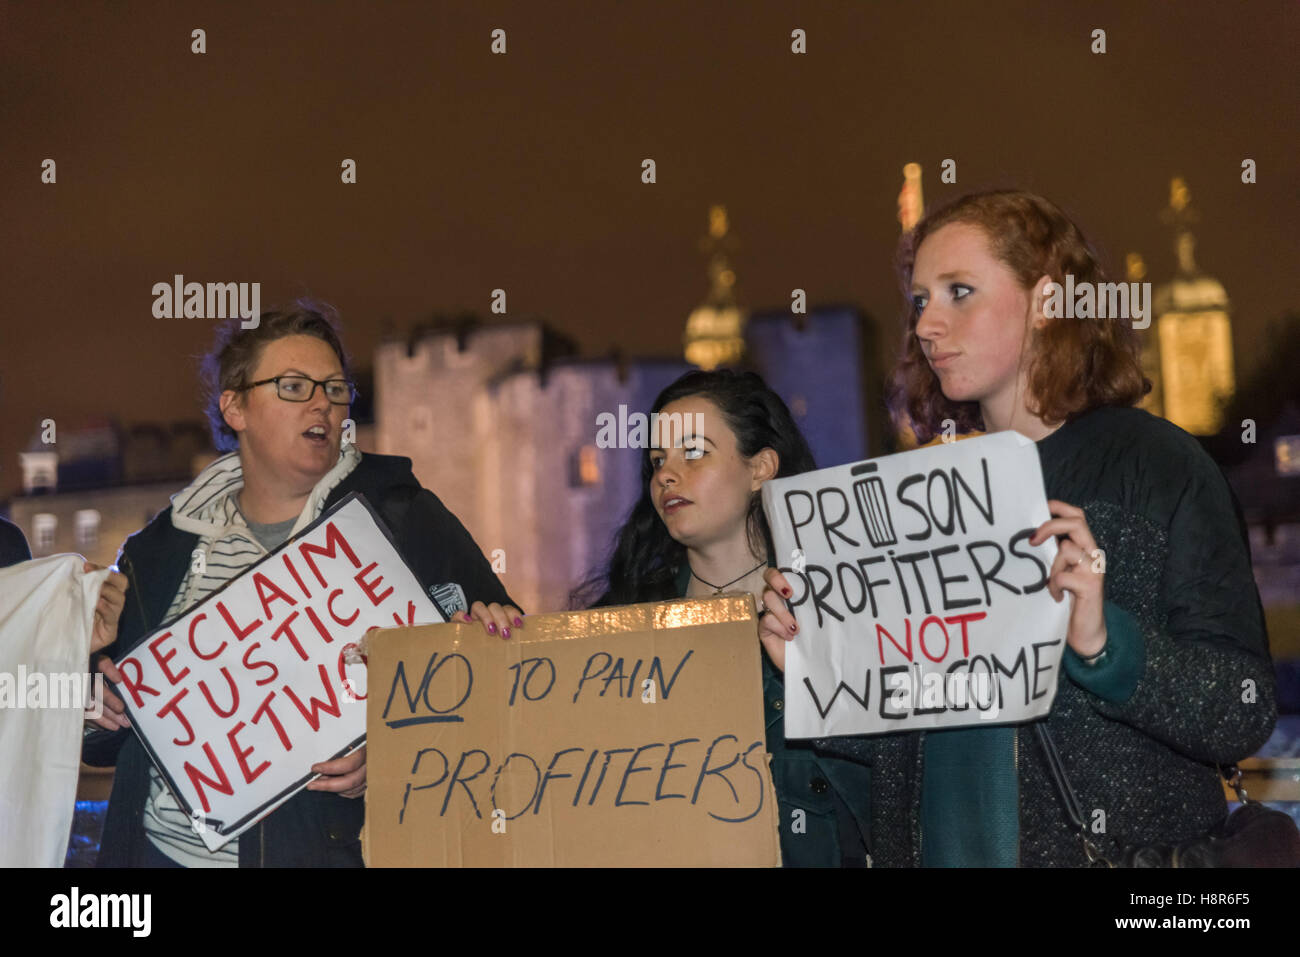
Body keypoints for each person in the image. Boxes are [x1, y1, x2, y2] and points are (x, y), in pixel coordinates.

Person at [761, 189, 1276, 865]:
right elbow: (921, 744)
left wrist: (1104, 643)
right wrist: (814, 666)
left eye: (959, 291)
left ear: (1046, 301)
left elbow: (1243, 709)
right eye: (920, 301)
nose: (926, 325)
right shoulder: (913, 501)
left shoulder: (1154, 465)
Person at [84, 301, 520, 867]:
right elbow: (108, 740)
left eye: (336, 390)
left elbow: (502, 678)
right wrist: (92, 699)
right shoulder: (158, 550)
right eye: (293, 386)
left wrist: (390, 752)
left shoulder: (406, 521)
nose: (322, 403)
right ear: (235, 407)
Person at [574, 368, 873, 866]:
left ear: (760, 468)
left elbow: (896, 796)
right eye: (657, 461)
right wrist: (495, 644)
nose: (667, 474)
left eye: (694, 452)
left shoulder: (839, 612)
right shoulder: (618, 629)